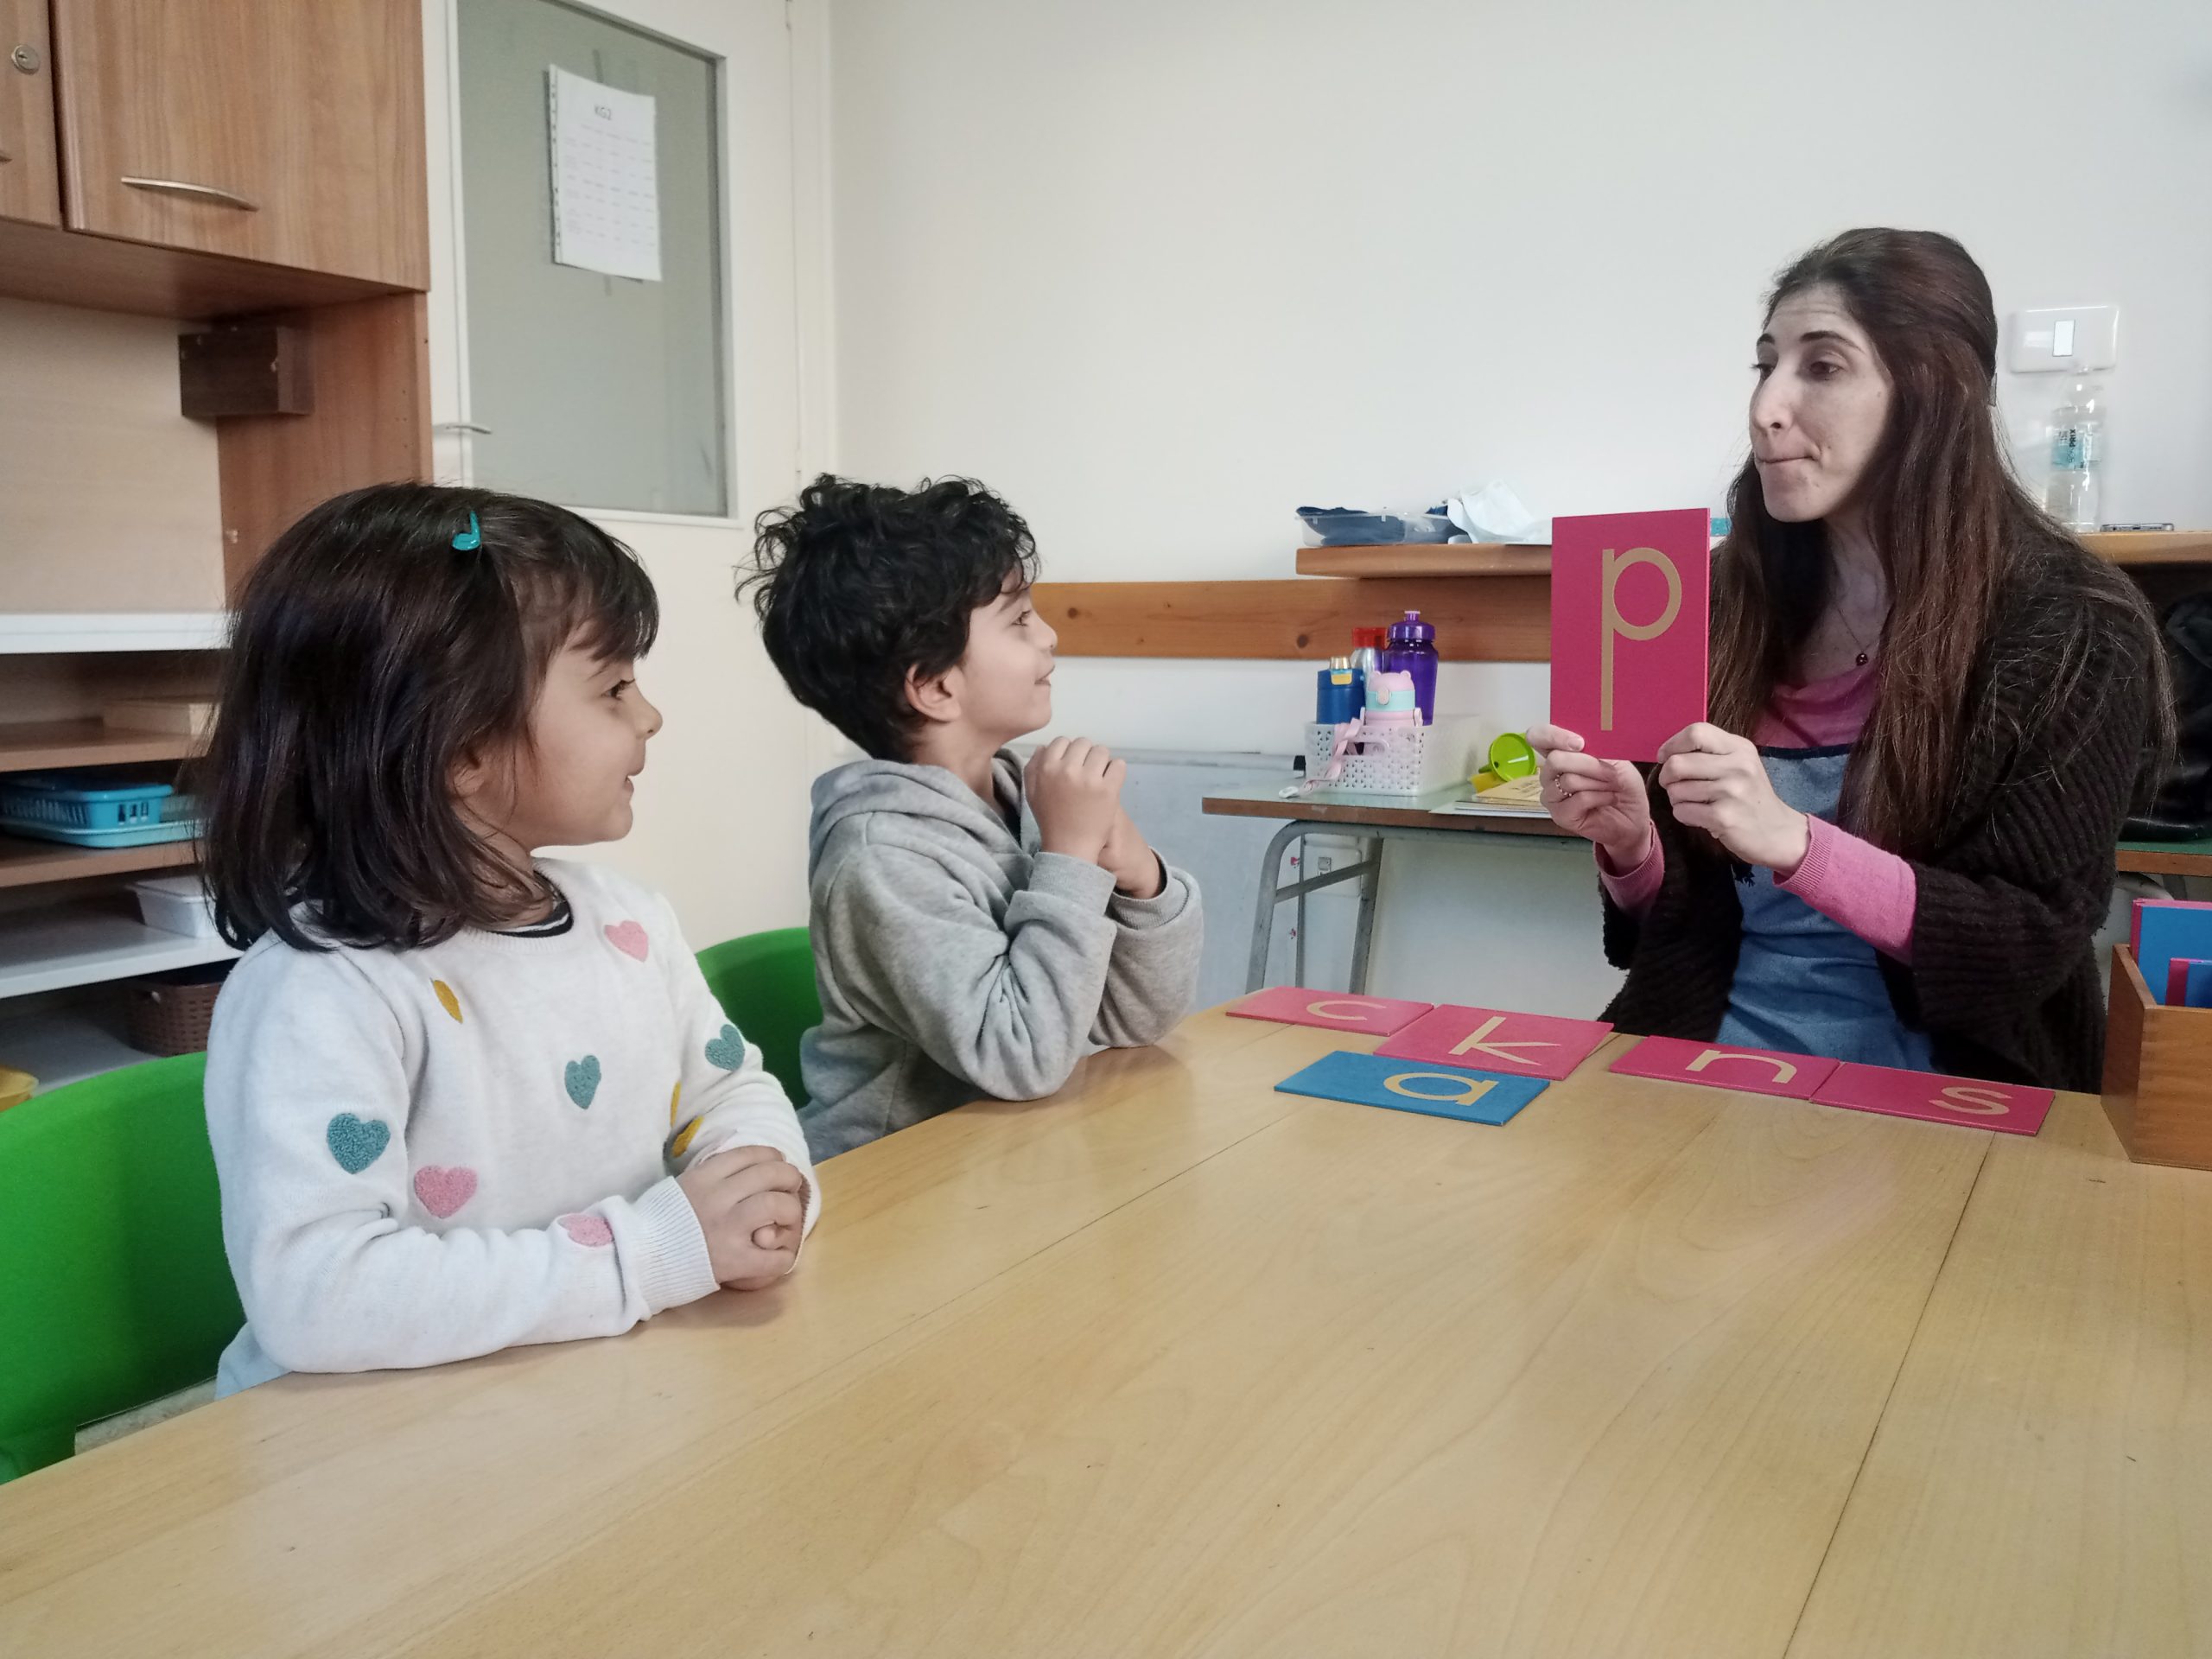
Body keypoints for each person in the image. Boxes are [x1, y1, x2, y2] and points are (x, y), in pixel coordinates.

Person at [199, 484, 817, 1395]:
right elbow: (316, 1294)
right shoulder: (322, 992)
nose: (649, 717)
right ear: (460, 750)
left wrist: (761, 1188)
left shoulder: (632, 924)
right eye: (612, 687)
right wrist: (650, 1254)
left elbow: (732, 1095)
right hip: (368, 1456)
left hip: (590, 1395)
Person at [1532, 228, 2171, 1090]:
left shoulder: (2069, 628)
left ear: (1933, 393)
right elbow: (1666, 937)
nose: (1766, 407)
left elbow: (2030, 943)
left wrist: (1794, 841)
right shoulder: (1712, 597)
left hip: (1945, 1095)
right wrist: (1630, 849)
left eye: (1822, 368)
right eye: (1765, 365)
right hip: (1698, 1063)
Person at [741, 474, 1205, 1157]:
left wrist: (1141, 879)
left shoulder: (1027, 803)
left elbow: (1140, 1018)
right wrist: (1071, 860)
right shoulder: (880, 858)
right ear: (934, 686)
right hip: (896, 1190)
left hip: (1006, 1169)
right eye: (1018, 620)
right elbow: (1021, 1057)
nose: (1049, 636)